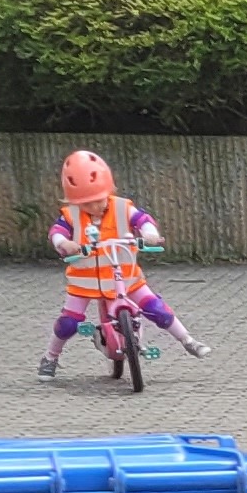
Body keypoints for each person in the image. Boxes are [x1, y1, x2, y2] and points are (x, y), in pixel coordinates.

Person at [40, 148, 210, 378]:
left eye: (98, 201)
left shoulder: (122, 207)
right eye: (86, 204)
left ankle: (188, 340)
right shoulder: (71, 215)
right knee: (68, 323)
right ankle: (50, 357)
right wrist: (64, 243)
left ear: (108, 190)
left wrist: (149, 234)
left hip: (126, 277)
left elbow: (142, 219)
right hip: (85, 282)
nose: (93, 208)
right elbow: (57, 232)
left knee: (156, 309)